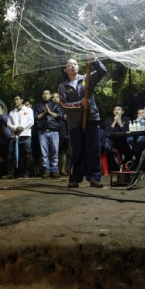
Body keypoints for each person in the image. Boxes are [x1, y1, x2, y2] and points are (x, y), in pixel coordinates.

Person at [58, 52, 107, 188]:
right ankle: (75, 178)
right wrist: (79, 104)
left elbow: (103, 71)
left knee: (93, 148)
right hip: (74, 122)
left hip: (91, 117)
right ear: (65, 69)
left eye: (75, 64)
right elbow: (63, 104)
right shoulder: (63, 86)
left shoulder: (87, 78)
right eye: (69, 65)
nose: (73, 66)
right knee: (77, 150)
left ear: (78, 67)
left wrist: (95, 60)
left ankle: (94, 178)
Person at [34, 89, 63, 178]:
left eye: (47, 94)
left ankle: (54, 170)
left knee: (55, 152)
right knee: (44, 153)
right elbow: (35, 117)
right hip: (42, 132)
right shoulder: (38, 106)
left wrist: (50, 112)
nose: (45, 95)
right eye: (43, 94)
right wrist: (44, 112)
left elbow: (61, 116)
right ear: (41, 95)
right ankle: (46, 170)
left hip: (54, 131)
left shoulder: (55, 105)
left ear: (50, 95)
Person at [7, 93, 34, 178]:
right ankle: (11, 173)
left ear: (22, 100)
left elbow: (31, 122)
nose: (16, 101)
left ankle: (26, 172)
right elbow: (8, 124)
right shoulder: (12, 112)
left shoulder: (28, 110)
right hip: (14, 135)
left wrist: (21, 128)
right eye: (14, 99)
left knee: (26, 154)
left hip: (25, 134)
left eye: (17, 99)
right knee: (11, 154)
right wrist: (16, 128)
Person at [104, 104, 134, 170]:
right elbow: (108, 132)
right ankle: (115, 168)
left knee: (129, 154)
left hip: (122, 141)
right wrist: (114, 121)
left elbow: (126, 131)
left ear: (122, 112)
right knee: (112, 155)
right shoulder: (109, 120)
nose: (117, 111)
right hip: (112, 142)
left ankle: (123, 166)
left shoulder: (126, 119)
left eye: (119, 110)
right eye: (115, 110)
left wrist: (120, 122)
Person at [52, 92, 69, 176]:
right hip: (52, 131)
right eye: (53, 97)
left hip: (62, 132)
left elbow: (68, 118)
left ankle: (63, 170)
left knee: (63, 151)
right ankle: (55, 170)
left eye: (57, 97)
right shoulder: (49, 107)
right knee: (54, 152)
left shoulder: (64, 107)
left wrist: (61, 115)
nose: (55, 98)